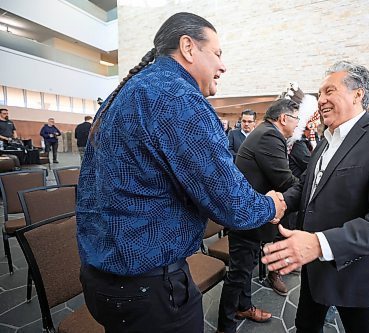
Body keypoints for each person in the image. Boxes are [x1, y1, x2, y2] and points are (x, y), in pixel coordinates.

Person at [76, 12, 286, 333]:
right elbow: (231, 204)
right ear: (188, 47)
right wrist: (272, 205)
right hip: (149, 288)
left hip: (102, 278)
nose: (223, 65)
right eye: (217, 53)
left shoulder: (128, 92)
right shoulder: (178, 97)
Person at [262, 60, 369, 333]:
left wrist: (319, 243)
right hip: (316, 268)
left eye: (329, 91)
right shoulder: (327, 139)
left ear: (357, 94)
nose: (321, 100)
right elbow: (307, 185)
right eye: (320, 93)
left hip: (359, 276)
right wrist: (280, 202)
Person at [217, 98, 300, 333]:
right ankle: (225, 326)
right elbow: (284, 179)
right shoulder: (269, 136)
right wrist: (308, 190)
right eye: (296, 119)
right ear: (284, 118)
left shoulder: (266, 132)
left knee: (246, 266)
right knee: (239, 272)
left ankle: (243, 306)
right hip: (246, 216)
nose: (297, 125)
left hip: (252, 215)